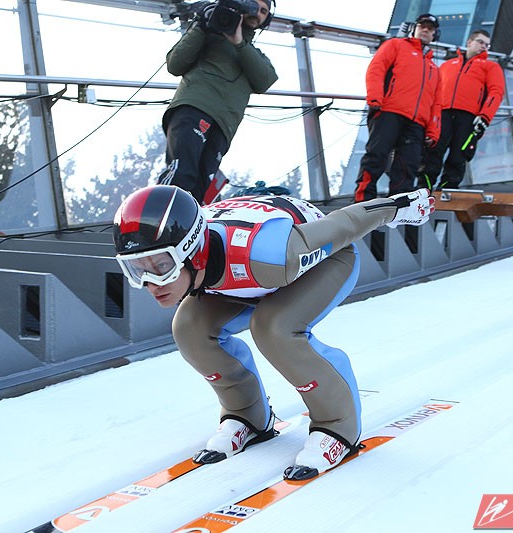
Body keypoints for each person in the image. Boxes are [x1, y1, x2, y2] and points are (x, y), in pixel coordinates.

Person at [113, 184, 435, 480]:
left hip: (321, 259)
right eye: (137, 269)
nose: (150, 284)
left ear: (192, 251)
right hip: (239, 274)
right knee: (189, 328)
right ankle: (246, 414)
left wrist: (396, 207)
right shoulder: (198, 259)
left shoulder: (267, 253)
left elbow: (343, 224)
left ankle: (337, 424)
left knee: (274, 328)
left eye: (162, 266)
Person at [157, 0, 278, 205]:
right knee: (182, 173)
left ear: (267, 20)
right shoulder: (208, 36)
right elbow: (175, 65)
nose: (257, 12)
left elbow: (264, 81)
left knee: (204, 184)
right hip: (194, 108)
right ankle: (159, 218)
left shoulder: (255, 56)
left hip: (223, 125)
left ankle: (187, 222)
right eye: (252, 4)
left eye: (263, 11)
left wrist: (239, 43)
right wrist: (201, 25)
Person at [353, 13, 442, 203]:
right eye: (422, 26)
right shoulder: (395, 45)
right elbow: (376, 69)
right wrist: (375, 97)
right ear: (414, 28)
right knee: (376, 157)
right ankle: (362, 202)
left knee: (407, 167)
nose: (426, 30)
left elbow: (437, 102)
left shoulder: (434, 68)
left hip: (417, 123)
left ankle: (399, 209)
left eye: (430, 29)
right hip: (388, 112)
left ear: (435, 34)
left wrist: (433, 131)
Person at [419, 30, 505, 190]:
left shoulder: (490, 67)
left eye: (487, 45)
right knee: (433, 151)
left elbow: (496, 92)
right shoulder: (447, 65)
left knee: (459, 155)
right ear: (469, 42)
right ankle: (423, 189)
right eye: (480, 42)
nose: (484, 47)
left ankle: (447, 189)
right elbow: (432, 90)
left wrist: (485, 116)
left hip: (469, 118)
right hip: (442, 113)